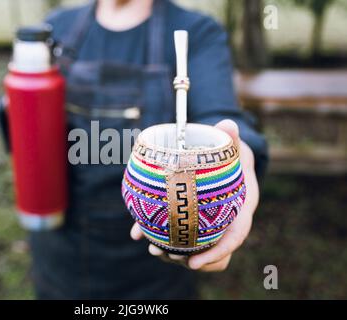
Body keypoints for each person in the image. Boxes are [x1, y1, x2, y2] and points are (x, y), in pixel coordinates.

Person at [28, 0, 268, 299]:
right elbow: (27, 141)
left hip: (154, 267)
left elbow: (219, 116)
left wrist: (239, 156)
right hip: (61, 253)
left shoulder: (198, 32)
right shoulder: (57, 28)